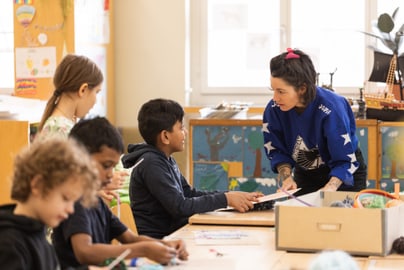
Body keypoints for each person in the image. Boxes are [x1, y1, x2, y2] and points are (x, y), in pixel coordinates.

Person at [52, 116, 189, 269]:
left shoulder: (96, 201)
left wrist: (166, 245)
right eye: (106, 165)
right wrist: (144, 250)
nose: (111, 174)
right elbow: (85, 252)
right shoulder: (75, 203)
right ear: (78, 160)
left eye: (113, 167)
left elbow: (129, 238)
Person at [121, 98, 262, 239]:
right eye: (181, 128)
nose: (186, 132)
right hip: (157, 242)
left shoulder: (165, 159)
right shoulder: (151, 164)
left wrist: (232, 195)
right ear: (165, 136)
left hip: (173, 235)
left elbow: (188, 193)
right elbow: (180, 207)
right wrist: (225, 199)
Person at [262, 48, 367, 197]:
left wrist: (330, 187)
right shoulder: (273, 109)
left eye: (281, 91)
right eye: (273, 90)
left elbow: (344, 159)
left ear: (302, 89)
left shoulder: (331, 108)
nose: (275, 98)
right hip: (306, 173)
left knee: (340, 216)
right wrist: (287, 178)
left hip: (345, 173)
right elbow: (277, 151)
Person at [0, 137, 104, 270]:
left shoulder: (38, 232)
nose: (71, 210)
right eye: (66, 198)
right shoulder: (9, 244)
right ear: (38, 185)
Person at [36, 53, 125, 202]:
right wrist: (100, 184)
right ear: (83, 90)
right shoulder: (58, 129)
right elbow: (59, 185)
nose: (96, 100)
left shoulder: (65, 125)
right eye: (96, 92)